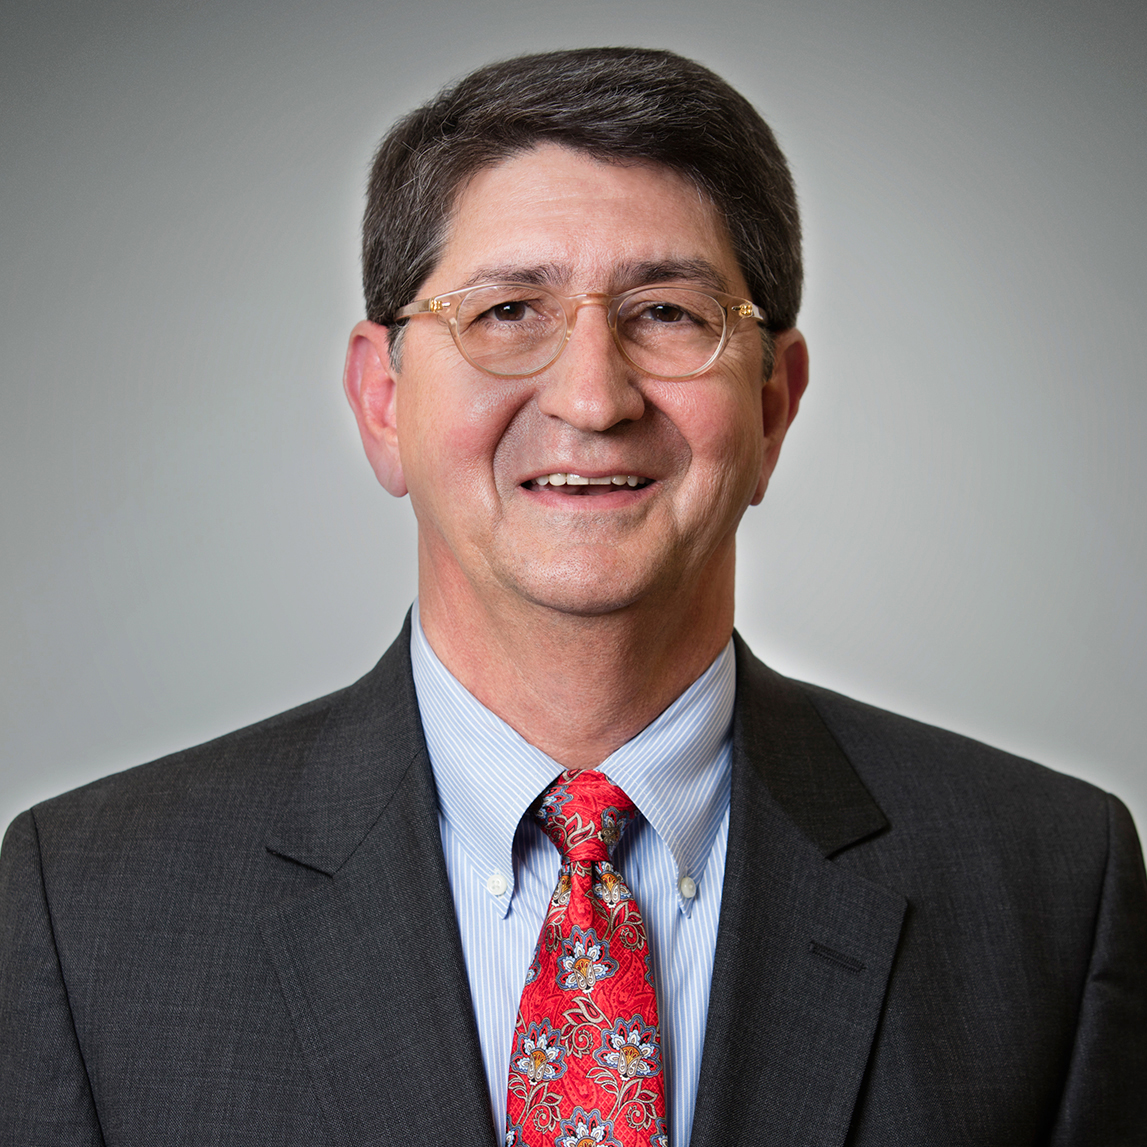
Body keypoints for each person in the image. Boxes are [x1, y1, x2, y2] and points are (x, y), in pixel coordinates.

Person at [1, 46, 1144, 1147]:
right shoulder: (90, 907)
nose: (593, 398)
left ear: (771, 408)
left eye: (667, 313)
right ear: (382, 401)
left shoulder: (1049, 884)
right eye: (508, 312)